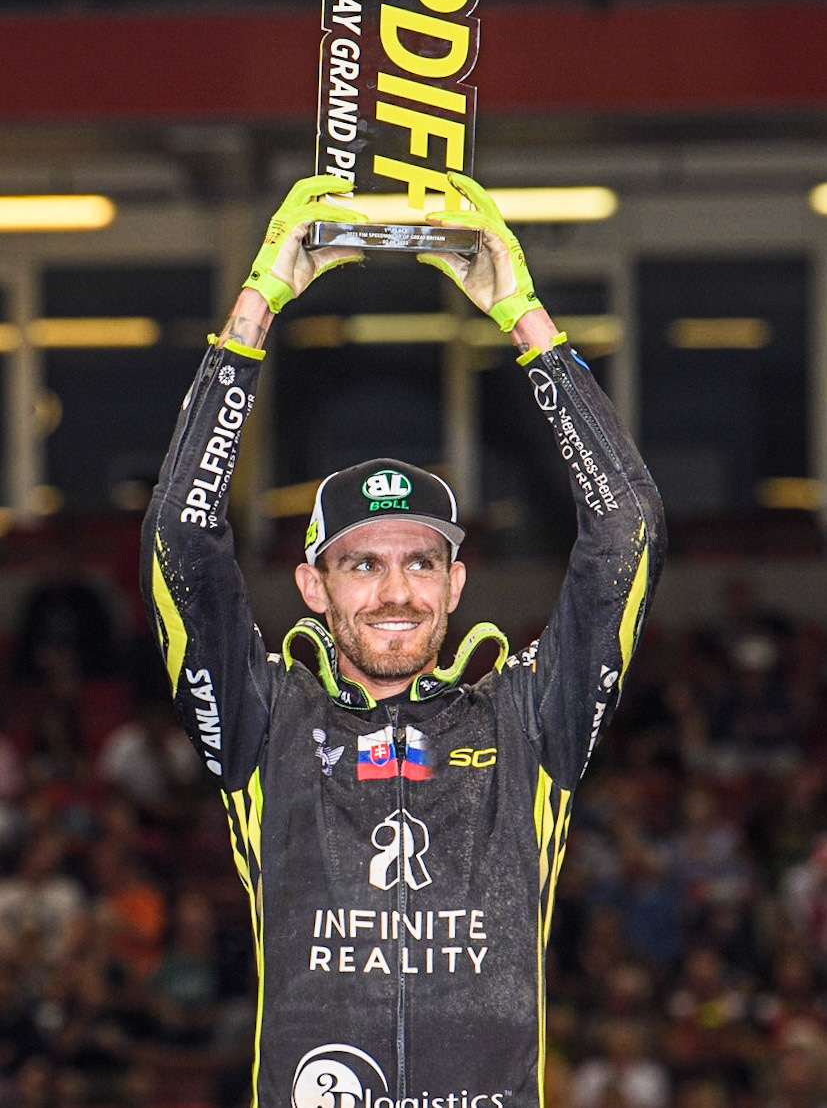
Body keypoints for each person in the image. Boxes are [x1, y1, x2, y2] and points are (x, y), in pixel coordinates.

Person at [140, 174, 666, 1107]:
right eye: (361, 564)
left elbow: (626, 530)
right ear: (313, 586)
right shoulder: (263, 720)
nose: (394, 592)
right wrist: (256, 310)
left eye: (421, 562)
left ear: (455, 583)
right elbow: (180, 541)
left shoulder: (527, 718)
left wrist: (526, 322)